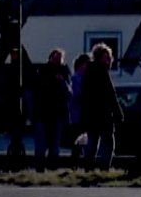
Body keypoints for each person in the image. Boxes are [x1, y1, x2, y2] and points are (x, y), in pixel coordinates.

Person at [77, 42, 123, 170]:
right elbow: (110, 94)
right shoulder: (102, 71)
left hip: (91, 114)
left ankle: (88, 166)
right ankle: (104, 167)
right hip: (103, 113)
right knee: (108, 141)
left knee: (93, 140)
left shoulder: (89, 71)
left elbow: (84, 94)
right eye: (106, 56)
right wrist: (118, 112)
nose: (109, 59)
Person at [32, 48, 72, 169]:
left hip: (57, 113)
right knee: (43, 143)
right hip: (44, 112)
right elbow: (37, 91)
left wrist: (62, 82)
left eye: (60, 57)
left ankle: (52, 166)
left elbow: (69, 91)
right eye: (56, 57)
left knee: (54, 143)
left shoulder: (64, 71)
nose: (58, 59)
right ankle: (41, 167)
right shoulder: (43, 71)